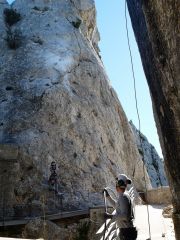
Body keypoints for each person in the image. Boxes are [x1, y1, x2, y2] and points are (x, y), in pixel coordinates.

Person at [103, 174, 137, 240]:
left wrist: (110, 216)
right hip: (127, 231)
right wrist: (108, 196)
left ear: (118, 184)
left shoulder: (123, 197)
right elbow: (117, 206)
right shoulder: (124, 195)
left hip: (126, 232)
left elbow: (125, 216)